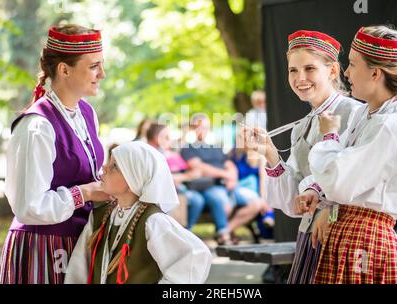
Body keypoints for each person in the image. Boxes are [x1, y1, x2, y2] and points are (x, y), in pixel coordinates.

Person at [298, 25, 397, 284]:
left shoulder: (392, 124)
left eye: (353, 64)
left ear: (375, 73)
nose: (346, 72)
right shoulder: (365, 113)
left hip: (367, 239)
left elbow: (340, 181)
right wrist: (317, 192)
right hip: (350, 232)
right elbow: (339, 177)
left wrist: (329, 135)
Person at [243, 30, 361, 283]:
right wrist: (270, 153)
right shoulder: (302, 126)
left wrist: (326, 208)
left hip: (344, 236)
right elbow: (294, 201)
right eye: (293, 70)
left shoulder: (355, 113)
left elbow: (357, 181)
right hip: (310, 239)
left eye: (309, 68)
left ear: (331, 71)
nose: (300, 78)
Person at [0, 24, 112, 284]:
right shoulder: (36, 127)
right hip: (41, 248)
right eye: (94, 66)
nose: (102, 74)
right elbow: (28, 206)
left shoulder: (87, 113)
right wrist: (86, 193)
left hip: (78, 244)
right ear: (64, 69)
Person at [64, 141, 212, 284]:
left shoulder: (153, 221)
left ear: (133, 179)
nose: (105, 168)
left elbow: (195, 255)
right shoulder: (99, 215)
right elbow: (78, 268)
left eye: (115, 166)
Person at [181, 114, 263, 245]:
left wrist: (232, 179)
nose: (202, 130)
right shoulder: (187, 148)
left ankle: (225, 231)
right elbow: (199, 167)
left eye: (205, 127)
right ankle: (224, 235)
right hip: (208, 187)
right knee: (220, 198)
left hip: (228, 187)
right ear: (192, 128)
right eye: (198, 127)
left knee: (256, 203)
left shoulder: (216, 148)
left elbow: (230, 165)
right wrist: (225, 175)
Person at [146, 123, 205, 230]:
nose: (170, 140)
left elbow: (190, 171)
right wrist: (186, 176)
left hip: (176, 190)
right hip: (160, 194)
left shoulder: (168, 153)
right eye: (167, 137)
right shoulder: (150, 154)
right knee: (194, 199)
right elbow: (159, 178)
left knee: (197, 199)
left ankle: (186, 231)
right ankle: (183, 232)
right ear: (156, 137)